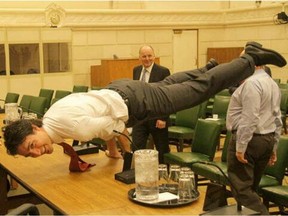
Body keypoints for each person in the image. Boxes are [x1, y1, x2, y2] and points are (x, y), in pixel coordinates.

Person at [3, 42, 286, 159]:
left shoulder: (71, 130)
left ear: (34, 128)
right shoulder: (53, 117)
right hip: (122, 89)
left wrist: (117, 140)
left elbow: (113, 128)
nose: (37, 152)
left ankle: (250, 58)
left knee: (201, 90)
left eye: (32, 146)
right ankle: (207, 67)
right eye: (30, 154)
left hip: (136, 102)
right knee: (171, 83)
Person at [226, 43, 283, 214]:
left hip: (249, 141)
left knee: (242, 190)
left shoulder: (251, 84)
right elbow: (277, 118)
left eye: (243, 60)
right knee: (251, 189)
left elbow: (250, 118)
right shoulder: (271, 83)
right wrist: (274, 146)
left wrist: (241, 146)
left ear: (252, 62)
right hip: (266, 139)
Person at [132, 45, 171, 163]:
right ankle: (139, 171)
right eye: (144, 56)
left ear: (154, 56)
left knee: (162, 148)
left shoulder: (163, 71)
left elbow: (167, 96)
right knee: (136, 146)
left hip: (157, 117)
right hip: (140, 117)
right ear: (139, 57)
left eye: (149, 56)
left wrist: (163, 118)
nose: (147, 59)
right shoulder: (136, 70)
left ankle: (164, 173)